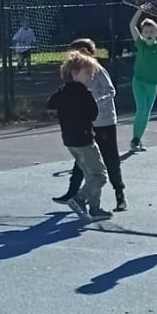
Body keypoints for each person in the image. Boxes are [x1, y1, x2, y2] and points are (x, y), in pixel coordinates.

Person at [57, 38, 127, 213]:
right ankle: (75, 194)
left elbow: (110, 91)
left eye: (82, 52)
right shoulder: (75, 77)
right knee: (84, 161)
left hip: (105, 121)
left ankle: (120, 196)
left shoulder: (98, 70)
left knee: (110, 159)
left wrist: (96, 101)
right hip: (88, 122)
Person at [47, 52, 111, 222]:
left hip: (70, 141)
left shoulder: (63, 91)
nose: (91, 77)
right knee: (99, 175)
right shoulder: (84, 94)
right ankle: (80, 198)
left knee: (90, 174)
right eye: (88, 73)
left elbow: (50, 104)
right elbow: (93, 114)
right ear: (74, 73)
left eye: (92, 73)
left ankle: (95, 209)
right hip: (85, 140)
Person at [127, 3, 157, 153]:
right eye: (146, 31)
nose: (149, 33)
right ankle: (135, 140)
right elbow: (132, 25)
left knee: (146, 113)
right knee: (141, 109)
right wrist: (140, 10)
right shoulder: (140, 44)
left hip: (152, 84)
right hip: (138, 81)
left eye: (152, 31)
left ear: (156, 33)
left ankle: (138, 138)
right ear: (142, 33)